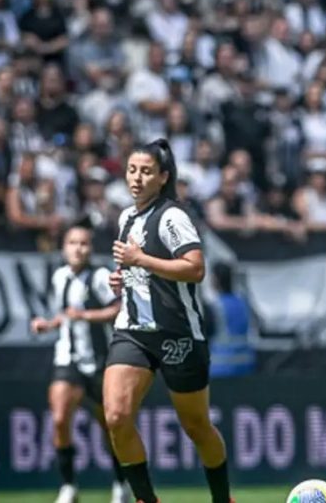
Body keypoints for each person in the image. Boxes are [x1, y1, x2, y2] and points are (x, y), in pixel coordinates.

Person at [105, 138, 233, 503]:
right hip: (132, 331)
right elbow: (134, 267)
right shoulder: (125, 217)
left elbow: (195, 268)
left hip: (178, 334)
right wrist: (122, 278)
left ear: (163, 177)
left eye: (146, 171)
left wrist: (140, 260)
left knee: (196, 426)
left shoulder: (173, 216)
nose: (136, 178)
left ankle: (223, 499)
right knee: (116, 416)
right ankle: (147, 499)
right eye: (131, 170)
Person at [31, 224, 130, 503]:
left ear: (91, 248)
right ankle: (69, 486)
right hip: (68, 359)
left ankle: (121, 483)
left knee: (111, 427)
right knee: (60, 418)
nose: (78, 248)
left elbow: (119, 308)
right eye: (72, 243)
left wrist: (86, 316)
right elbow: (66, 315)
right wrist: (49, 325)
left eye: (84, 243)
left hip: (99, 363)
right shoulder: (59, 277)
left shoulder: (100, 276)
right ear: (64, 247)